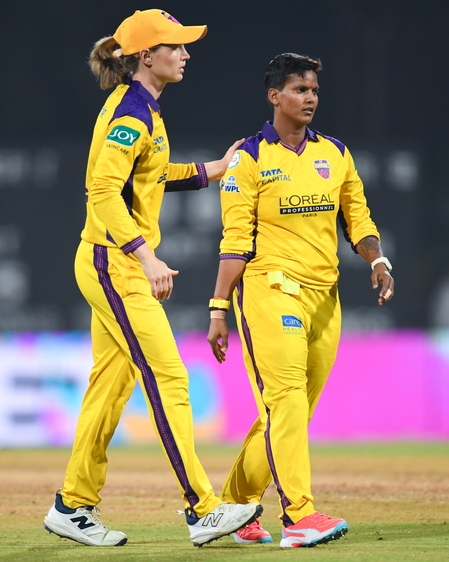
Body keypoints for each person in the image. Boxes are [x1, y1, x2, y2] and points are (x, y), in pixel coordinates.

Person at [43, 9, 262, 548]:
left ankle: (72, 505)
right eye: (175, 46)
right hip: (113, 264)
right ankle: (202, 509)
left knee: (110, 386)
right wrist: (146, 257)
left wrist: (209, 171)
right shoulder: (132, 113)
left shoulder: (142, 107)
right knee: (168, 377)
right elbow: (101, 191)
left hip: (108, 260)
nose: (185, 54)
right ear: (147, 55)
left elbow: (149, 175)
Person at [207, 53, 395, 548]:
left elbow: (358, 217)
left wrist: (377, 259)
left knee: (289, 412)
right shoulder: (248, 159)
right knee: (287, 399)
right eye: (299, 90)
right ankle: (299, 516)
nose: (310, 98)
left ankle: (235, 507)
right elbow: (235, 238)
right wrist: (219, 307)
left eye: (313, 90)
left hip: (324, 298)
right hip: (271, 291)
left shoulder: (335, 153)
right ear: (275, 96)